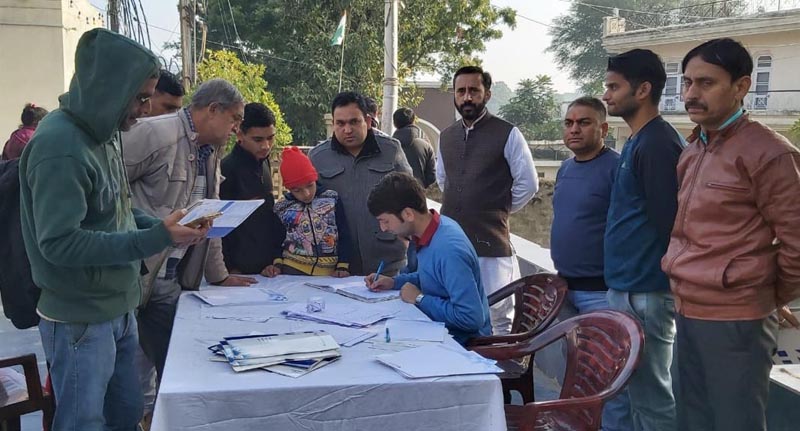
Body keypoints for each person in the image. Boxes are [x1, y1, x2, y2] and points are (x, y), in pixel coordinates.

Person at [18, 28, 206, 431]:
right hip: (80, 317)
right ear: (109, 87)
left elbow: (117, 212)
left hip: (119, 306)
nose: (144, 109)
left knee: (125, 412)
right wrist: (157, 238)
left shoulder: (104, 134)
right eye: (140, 98)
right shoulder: (61, 146)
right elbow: (60, 244)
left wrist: (166, 226)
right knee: (84, 422)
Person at [662, 38, 800, 431]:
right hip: (687, 310)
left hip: (737, 319)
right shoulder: (693, 150)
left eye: (706, 83)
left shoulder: (769, 153)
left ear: (741, 86)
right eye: (687, 83)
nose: (691, 93)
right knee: (691, 419)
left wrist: (763, 294)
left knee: (734, 422)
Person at [122, 78, 256, 384]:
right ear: (213, 110)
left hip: (170, 278)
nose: (237, 128)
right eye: (235, 118)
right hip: (133, 274)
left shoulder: (211, 150)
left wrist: (219, 276)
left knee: (175, 372)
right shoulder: (156, 133)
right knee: (127, 379)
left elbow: (210, 215)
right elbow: (107, 193)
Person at [602, 49, 683, 431]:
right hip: (626, 287)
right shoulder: (637, 141)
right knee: (632, 395)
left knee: (652, 399)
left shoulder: (657, 144)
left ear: (644, 89)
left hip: (647, 292)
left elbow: (671, 223)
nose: (607, 96)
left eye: (614, 87)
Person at [436, 66, 538, 335]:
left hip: (491, 245)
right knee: (455, 311)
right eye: (461, 91)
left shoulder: (508, 133)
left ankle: (501, 377)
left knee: (498, 315)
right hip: (453, 244)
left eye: (473, 91)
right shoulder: (446, 136)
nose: (467, 97)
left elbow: (528, 184)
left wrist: (497, 208)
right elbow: (444, 181)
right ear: (455, 96)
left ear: (487, 94)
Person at [551, 96, 631, 430]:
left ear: (603, 128)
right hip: (566, 289)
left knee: (610, 380)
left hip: (603, 292)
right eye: (569, 123)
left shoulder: (617, 168)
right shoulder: (566, 168)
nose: (574, 129)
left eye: (583, 123)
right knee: (578, 376)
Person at [366, 172, 491, 345]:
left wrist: (419, 299)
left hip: (463, 345)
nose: (383, 228)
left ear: (408, 214)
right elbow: (434, 277)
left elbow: (470, 318)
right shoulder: (432, 229)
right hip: (438, 331)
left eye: (385, 221)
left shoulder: (449, 250)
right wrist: (394, 282)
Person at [309, 91, 412, 276]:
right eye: (340, 123)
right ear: (333, 124)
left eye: (354, 122)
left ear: (368, 121)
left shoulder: (391, 150)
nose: (347, 129)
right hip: (338, 265)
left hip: (388, 262)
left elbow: (411, 197)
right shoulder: (318, 157)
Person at [263, 146, 352, 277]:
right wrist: (277, 264)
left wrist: (343, 265)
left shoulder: (332, 199)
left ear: (315, 178)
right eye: (297, 190)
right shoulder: (282, 207)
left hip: (331, 273)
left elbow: (344, 233)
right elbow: (276, 240)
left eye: (310, 185)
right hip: (292, 272)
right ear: (288, 188)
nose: (306, 194)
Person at [220, 102, 285, 275]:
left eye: (270, 138)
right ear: (239, 133)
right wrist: (229, 270)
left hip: (269, 269)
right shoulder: (225, 170)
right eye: (258, 139)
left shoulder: (265, 162)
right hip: (236, 273)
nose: (266, 146)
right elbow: (218, 227)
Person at [392, 107, 435, 188]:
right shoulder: (426, 145)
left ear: (394, 123)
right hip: (418, 192)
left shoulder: (388, 145)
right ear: (413, 120)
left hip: (392, 193)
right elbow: (432, 177)